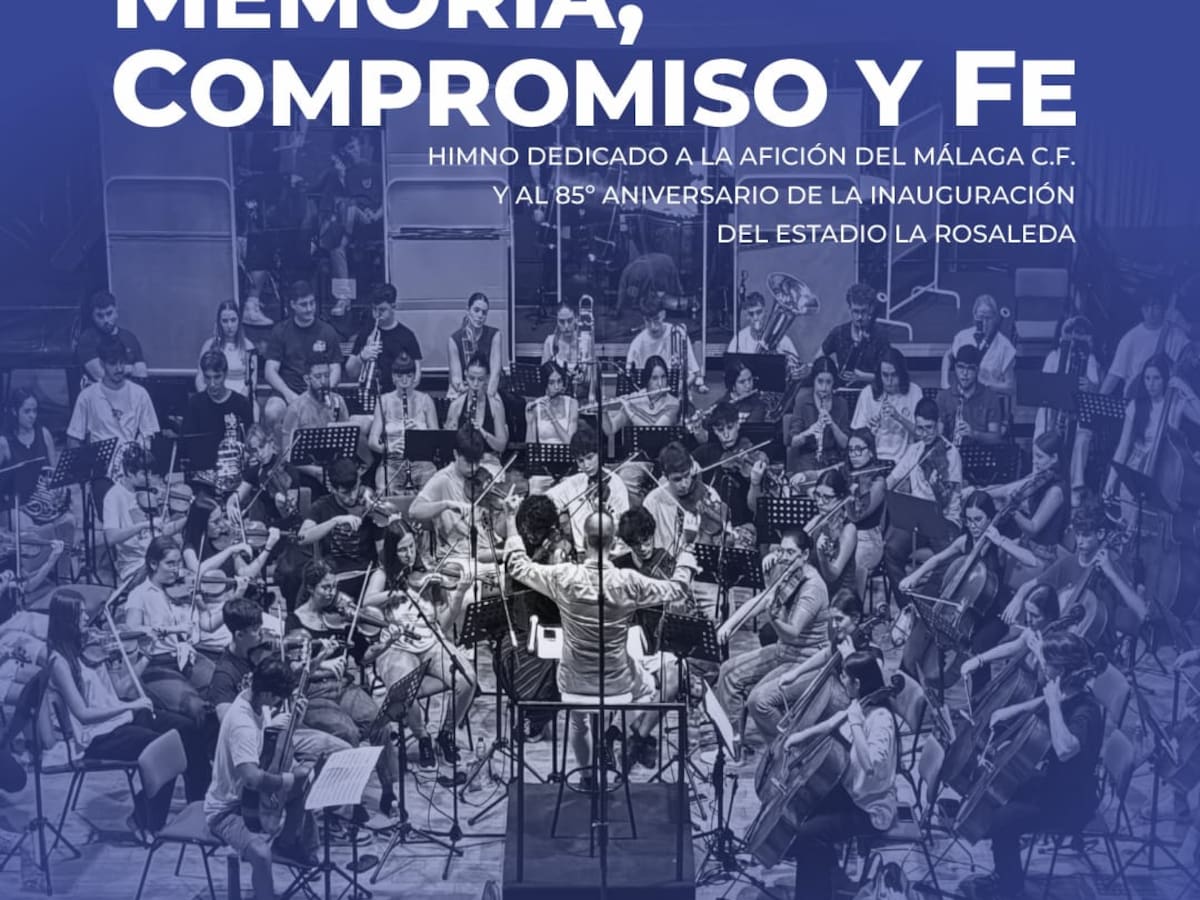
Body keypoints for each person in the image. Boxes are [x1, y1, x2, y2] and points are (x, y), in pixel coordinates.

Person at [503, 509, 684, 785]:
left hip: (574, 683)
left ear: (585, 540)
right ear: (614, 543)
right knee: (651, 689)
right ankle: (634, 734)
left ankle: (588, 777)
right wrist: (688, 559)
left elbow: (517, 566)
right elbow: (677, 589)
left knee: (579, 722)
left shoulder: (564, 576)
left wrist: (510, 520)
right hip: (618, 685)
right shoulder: (628, 581)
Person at [42, 591, 209, 834]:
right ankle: (146, 820)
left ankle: (200, 804)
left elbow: (120, 688)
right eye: (80, 615)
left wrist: (146, 655)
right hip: (97, 736)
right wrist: (130, 706)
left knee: (188, 729)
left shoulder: (88, 649)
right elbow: (83, 714)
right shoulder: (59, 661)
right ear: (66, 620)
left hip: (120, 719)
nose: (87, 619)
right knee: (166, 748)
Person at [961, 632, 1103, 900]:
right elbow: (1052, 701)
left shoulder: (1087, 711)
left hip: (1072, 802)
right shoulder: (1070, 691)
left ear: (1061, 670)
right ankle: (1004, 873)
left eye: (1046, 663)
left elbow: (1065, 750)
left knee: (1002, 819)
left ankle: (1010, 887)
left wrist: (1053, 707)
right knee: (1003, 792)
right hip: (1055, 784)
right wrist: (1012, 710)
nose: (1041, 666)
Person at [783, 651, 899, 900]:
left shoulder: (882, 719)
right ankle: (826, 873)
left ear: (857, 683)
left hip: (871, 808)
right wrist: (799, 736)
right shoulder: (862, 703)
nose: (842, 681)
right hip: (853, 793)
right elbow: (833, 722)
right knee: (805, 813)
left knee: (810, 834)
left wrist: (856, 724)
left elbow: (870, 766)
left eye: (845, 677)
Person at [898, 492, 1037, 693]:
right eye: (968, 520)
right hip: (966, 609)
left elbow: (1032, 560)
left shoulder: (999, 546)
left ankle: (980, 699)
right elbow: (937, 559)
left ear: (990, 518)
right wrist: (915, 576)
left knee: (979, 648)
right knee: (926, 626)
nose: (973, 526)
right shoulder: (965, 541)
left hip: (994, 612)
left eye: (978, 520)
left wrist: (1000, 541)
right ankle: (909, 684)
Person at [361, 522, 476, 766]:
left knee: (468, 679)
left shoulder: (427, 575)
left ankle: (446, 733)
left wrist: (457, 596)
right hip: (396, 647)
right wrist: (395, 593)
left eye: (412, 547)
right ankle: (422, 736)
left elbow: (443, 624)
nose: (409, 554)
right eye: (402, 550)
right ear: (392, 551)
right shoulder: (383, 575)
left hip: (431, 642)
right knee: (405, 689)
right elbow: (367, 602)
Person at [205, 657, 318, 900]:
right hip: (228, 809)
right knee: (261, 855)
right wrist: (287, 781)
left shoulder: (255, 702)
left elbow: (268, 752)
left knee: (306, 784)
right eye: (278, 698)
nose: (279, 703)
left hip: (252, 799)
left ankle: (285, 845)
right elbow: (252, 778)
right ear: (267, 693)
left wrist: (295, 723)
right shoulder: (242, 724)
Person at [716, 528, 829, 754]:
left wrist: (773, 618)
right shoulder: (789, 574)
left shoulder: (812, 587)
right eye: (782, 551)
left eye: (790, 553)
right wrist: (729, 624)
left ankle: (790, 748)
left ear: (805, 554)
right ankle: (734, 744)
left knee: (758, 700)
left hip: (805, 659)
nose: (784, 558)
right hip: (784, 652)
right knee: (728, 672)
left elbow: (792, 632)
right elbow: (762, 599)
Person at [1001, 497, 1146, 652]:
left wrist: (1111, 574)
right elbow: (1031, 584)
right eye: (1078, 534)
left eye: (1086, 535)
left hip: (1098, 649)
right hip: (1065, 642)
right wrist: (1018, 597)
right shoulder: (1069, 563)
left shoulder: (1111, 567)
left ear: (1100, 534)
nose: (1080, 541)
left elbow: (1141, 611)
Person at [748, 588, 869, 741]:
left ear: (856, 618)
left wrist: (850, 661)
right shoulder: (842, 639)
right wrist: (795, 673)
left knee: (798, 731)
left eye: (839, 619)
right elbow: (827, 653)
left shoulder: (871, 653)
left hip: (850, 712)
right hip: (829, 693)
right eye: (832, 620)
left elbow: (867, 696)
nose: (834, 625)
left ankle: (793, 742)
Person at [125, 536, 224, 711]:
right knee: (196, 708)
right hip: (156, 662)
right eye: (170, 564)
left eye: (179, 563)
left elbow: (206, 624)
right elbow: (132, 630)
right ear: (153, 564)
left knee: (223, 687)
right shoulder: (139, 594)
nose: (177, 569)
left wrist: (201, 603)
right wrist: (172, 629)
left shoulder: (182, 589)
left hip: (187, 656)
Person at [883, 398, 964, 609]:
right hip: (918, 519)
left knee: (948, 560)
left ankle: (928, 607)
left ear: (938, 425)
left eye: (929, 428)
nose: (924, 433)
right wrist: (879, 488)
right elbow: (892, 480)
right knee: (891, 550)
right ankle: (907, 607)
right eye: (919, 428)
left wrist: (934, 481)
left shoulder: (951, 454)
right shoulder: (915, 450)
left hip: (945, 519)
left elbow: (946, 500)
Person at [976, 432, 1068, 582]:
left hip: (1041, 555)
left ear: (1054, 458)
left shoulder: (1056, 491)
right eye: (1034, 456)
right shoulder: (1040, 477)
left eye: (1040, 457)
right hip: (1026, 544)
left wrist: (1013, 510)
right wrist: (979, 491)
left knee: (997, 557)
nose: (1035, 461)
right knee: (992, 551)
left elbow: (1033, 528)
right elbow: (1007, 489)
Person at [0, 389, 74, 575]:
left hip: (43, 504)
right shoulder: (4, 443)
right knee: (31, 531)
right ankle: (36, 577)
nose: (32, 416)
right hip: (16, 506)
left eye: (35, 410)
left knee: (69, 521)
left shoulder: (44, 433)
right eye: (27, 411)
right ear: (14, 411)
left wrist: (56, 492)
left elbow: (54, 475)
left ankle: (63, 576)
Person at [1105, 354, 1200, 499]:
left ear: (1165, 379)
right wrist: (1111, 479)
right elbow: (1123, 446)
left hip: (1166, 469)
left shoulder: (1175, 403)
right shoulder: (1135, 406)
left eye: (1157, 378)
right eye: (1147, 378)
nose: (1151, 384)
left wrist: (1186, 389)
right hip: (1136, 467)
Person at [409, 427, 503, 567]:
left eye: (477, 462)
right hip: (459, 556)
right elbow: (414, 511)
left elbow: (496, 530)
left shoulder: (482, 478)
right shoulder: (443, 479)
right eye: (468, 462)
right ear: (455, 454)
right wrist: (446, 504)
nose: (474, 468)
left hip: (486, 549)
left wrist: (508, 512)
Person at [262, 282, 344, 433]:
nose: (309, 308)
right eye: (304, 304)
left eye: (312, 303)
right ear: (293, 305)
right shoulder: (280, 331)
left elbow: (336, 369)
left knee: (338, 407)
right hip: (289, 391)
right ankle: (279, 448)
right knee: (272, 411)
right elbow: (270, 371)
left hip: (320, 392)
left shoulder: (327, 331)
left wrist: (326, 391)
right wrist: (288, 394)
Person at [298, 457, 380, 601]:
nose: (352, 497)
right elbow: (302, 538)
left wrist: (375, 508)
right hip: (336, 576)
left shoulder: (367, 500)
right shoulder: (322, 506)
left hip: (367, 573)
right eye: (345, 493)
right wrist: (335, 521)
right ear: (333, 489)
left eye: (354, 489)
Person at [103, 445, 186, 581]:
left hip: (159, 557)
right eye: (144, 474)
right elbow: (111, 538)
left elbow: (164, 530)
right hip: (136, 566)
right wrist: (144, 525)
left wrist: (188, 518)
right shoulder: (113, 497)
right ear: (130, 472)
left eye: (151, 473)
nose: (149, 478)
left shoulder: (149, 494)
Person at [67, 335, 160, 455]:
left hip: (131, 460)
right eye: (113, 364)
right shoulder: (87, 396)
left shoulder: (140, 393)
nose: (119, 369)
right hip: (99, 461)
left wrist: (141, 450)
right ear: (102, 363)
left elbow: (149, 433)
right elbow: (73, 439)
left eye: (122, 363)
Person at [545, 426, 631, 553]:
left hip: (611, 553)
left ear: (599, 454)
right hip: (581, 553)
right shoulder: (576, 481)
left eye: (590, 457)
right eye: (580, 461)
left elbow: (622, 526)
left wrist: (602, 511)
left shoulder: (616, 485)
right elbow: (547, 499)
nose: (586, 465)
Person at [960, 583, 1061, 690]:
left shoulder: (1058, 642)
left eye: (1035, 615)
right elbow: (1013, 647)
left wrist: (1041, 655)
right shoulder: (1032, 632)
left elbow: (1050, 682)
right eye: (1027, 612)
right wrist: (979, 660)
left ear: (1050, 617)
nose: (1028, 620)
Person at [183, 350, 254, 492]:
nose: (212, 384)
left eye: (217, 377)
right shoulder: (195, 403)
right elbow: (187, 445)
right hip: (203, 477)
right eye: (207, 378)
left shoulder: (241, 404)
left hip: (234, 476)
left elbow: (250, 442)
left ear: (225, 374)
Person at [367, 353, 439, 494]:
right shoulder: (384, 401)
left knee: (433, 488)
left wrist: (421, 434)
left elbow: (437, 439)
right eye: (400, 376)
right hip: (392, 462)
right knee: (383, 489)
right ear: (393, 377)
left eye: (409, 376)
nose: (404, 381)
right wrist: (388, 448)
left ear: (414, 377)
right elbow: (372, 441)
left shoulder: (425, 400)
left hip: (422, 461)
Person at [691, 401, 765, 535]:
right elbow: (683, 464)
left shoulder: (750, 453)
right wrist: (691, 467)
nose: (726, 435)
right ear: (714, 430)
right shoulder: (706, 452)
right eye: (720, 430)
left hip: (743, 526)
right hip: (712, 523)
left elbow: (756, 508)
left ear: (738, 424)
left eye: (730, 428)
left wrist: (755, 483)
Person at [641, 441, 725, 556]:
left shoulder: (708, 494)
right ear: (665, 476)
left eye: (687, 476)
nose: (684, 484)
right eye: (677, 479)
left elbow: (718, 543)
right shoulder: (652, 501)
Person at [1101, 290, 1189, 399]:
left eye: (1155, 306)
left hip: (1168, 401)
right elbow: (1114, 375)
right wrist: (1098, 399)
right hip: (1136, 399)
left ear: (1164, 307)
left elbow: (1189, 369)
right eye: (1146, 306)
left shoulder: (1178, 336)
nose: (1150, 312)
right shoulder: (1130, 338)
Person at [279, 358, 351, 488]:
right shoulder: (296, 408)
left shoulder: (338, 401)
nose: (323, 382)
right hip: (307, 470)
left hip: (334, 466)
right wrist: (316, 472)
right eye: (318, 377)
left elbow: (347, 441)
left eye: (326, 376)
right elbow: (286, 454)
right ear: (307, 379)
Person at [344, 283, 423, 394]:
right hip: (370, 395)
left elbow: (416, 377)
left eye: (382, 310)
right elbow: (350, 373)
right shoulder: (365, 333)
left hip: (396, 397)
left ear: (393, 307)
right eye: (374, 309)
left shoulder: (407, 336)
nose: (377, 314)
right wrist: (362, 357)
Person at [850, 348, 923, 463]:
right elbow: (855, 438)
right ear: (879, 374)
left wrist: (898, 417)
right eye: (885, 375)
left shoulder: (915, 391)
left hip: (904, 461)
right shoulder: (867, 393)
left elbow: (922, 434)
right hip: (873, 461)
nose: (889, 381)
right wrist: (868, 431)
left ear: (901, 373)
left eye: (894, 375)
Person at [626, 295, 705, 393]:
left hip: (677, 394)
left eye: (656, 319)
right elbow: (631, 379)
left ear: (663, 314)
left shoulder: (678, 334)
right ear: (643, 319)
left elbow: (693, 372)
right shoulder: (637, 344)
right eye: (648, 321)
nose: (653, 326)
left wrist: (679, 389)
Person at [941, 294, 1017, 396]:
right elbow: (948, 355)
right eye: (980, 317)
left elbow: (1010, 387)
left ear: (995, 318)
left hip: (989, 400)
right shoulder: (962, 337)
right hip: (963, 398)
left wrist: (986, 385)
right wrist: (944, 383)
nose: (984, 323)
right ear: (974, 316)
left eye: (988, 318)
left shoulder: (1005, 346)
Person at [788, 356, 851, 473]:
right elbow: (793, 442)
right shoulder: (802, 401)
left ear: (834, 382)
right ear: (813, 380)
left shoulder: (841, 404)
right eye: (820, 381)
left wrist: (832, 425)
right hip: (807, 460)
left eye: (828, 382)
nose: (824, 388)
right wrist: (809, 431)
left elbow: (844, 444)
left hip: (833, 460)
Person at [821, 284, 892, 387]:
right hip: (843, 392)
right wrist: (833, 374)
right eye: (855, 311)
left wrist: (862, 377)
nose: (859, 317)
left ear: (871, 309)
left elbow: (890, 376)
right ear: (849, 309)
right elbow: (818, 361)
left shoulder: (881, 335)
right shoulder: (838, 333)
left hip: (872, 393)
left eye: (863, 311)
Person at [844, 430, 887, 598]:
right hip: (846, 533)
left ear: (870, 451)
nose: (853, 455)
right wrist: (804, 476)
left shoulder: (878, 481)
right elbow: (821, 474)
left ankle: (853, 606)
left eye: (859, 450)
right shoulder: (847, 471)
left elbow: (857, 516)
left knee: (853, 562)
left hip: (868, 539)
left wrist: (849, 497)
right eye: (850, 450)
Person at [75, 290, 148, 387]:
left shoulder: (129, 338)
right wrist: (130, 369)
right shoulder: (87, 339)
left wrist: (112, 370)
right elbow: (101, 376)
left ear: (116, 312)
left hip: (130, 393)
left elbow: (141, 373)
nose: (105, 320)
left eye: (109, 314)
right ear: (92, 316)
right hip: (99, 394)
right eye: (100, 316)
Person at [525, 362, 579, 491]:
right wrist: (529, 422)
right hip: (544, 466)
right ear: (545, 384)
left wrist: (551, 416)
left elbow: (570, 442)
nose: (557, 386)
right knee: (535, 486)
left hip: (568, 466)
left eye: (559, 381)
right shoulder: (536, 406)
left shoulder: (572, 404)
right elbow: (531, 446)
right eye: (551, 383)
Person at [937, 345, 1005, 446]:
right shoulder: (943, 397)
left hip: (982, 453)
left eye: (970, 368)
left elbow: (996, 437)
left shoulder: (990, 397)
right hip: (951, 452)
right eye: (961, 367)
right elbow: (938, 436)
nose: (965, 373)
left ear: (977, 370)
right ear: (955, 367)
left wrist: (974, 434)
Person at [444, 353, 508, 455]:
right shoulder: (456, 405)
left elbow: (501, 446)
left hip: (487, 458)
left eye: (480, 379)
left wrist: (483, 433)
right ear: (465, 375)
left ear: (487, 378)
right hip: (462, 458)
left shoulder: (496, 405)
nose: (475, 384)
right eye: (471, 378)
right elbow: (447, 444)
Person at [806, 469, 858, 594]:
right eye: (817, 495)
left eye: (827, 498)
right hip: (817, 589)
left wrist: (822, 556)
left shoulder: (849, 529)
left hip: (840, 596)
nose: (819, 502)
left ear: (841, 498)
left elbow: (832, 576)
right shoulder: (817, 520)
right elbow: (800, 542)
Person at [600, 355, 680, 434]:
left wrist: (631, 413)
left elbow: (655, 433)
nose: (660, 383)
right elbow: (611, 429)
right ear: (647, 380)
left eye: (663, 377)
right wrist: (603, 411)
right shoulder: (635, 399)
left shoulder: (673, 403)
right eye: (655, 378)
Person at [195, 300, 257, 398]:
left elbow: (252, 381)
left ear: (239, 321)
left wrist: (240, 399)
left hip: (241, 397)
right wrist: (206, 398)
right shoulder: (209, 345)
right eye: (225, 321)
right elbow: (200, 378)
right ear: (219, 322)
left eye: (233, 320)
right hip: (214, 396)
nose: (229, 326)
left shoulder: (248, 346)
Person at [448, 292, 503, 399]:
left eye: (484, 312)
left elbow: (495, 374)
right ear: (468, 310)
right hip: (465, 386)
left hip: (487, 386)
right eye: (476, 310)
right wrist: (468, 395)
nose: (480, 316)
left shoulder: (495, 335)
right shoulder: (454, 339)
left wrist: (487, 398)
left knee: (496, 403)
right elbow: (456, 378)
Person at [727, 290, 801, 362]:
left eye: (759, 312)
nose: (755, 318)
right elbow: (730, 364)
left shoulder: (782, 339)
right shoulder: (739, 339)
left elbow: (796, 364)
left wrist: (780, 357)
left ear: (765, 312)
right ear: (747, 316)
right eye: (751, 314)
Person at [719, 359, 768, 424]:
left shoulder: (758, 405)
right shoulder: (721, 403)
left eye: (750, 379)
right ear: (732, 385)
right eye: (742, 382)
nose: (748, 386)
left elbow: (750, 428)